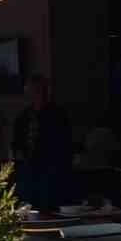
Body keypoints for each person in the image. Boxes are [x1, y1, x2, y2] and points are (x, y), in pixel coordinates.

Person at [13, 74, 73, 213]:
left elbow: (65, 143)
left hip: (51, 168)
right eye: (33, 91)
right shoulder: (24, 116)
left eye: (41, 90)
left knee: (49, 207)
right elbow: (17, 143)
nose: (38, 95)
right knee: (29, 205)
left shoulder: (58, 115)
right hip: (29, 168)